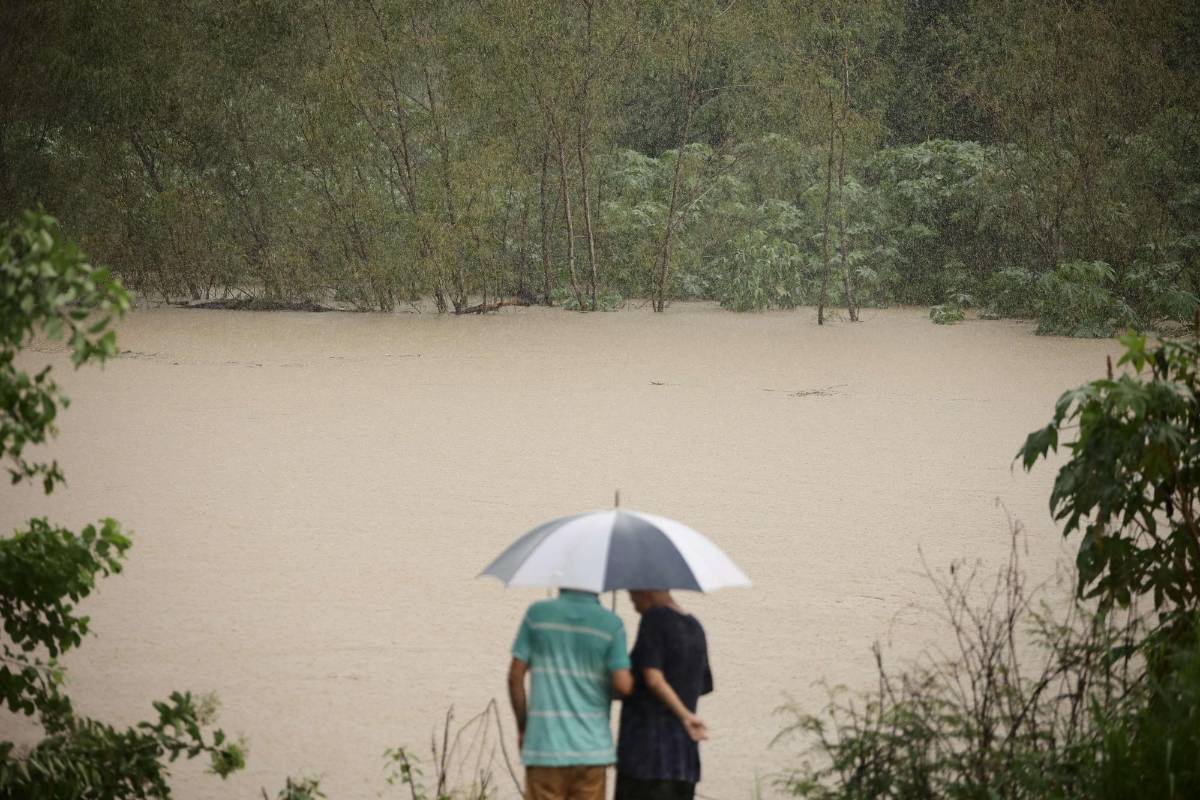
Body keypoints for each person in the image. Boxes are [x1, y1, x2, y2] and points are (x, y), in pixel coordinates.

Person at [508, 588, 634, 800]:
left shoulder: (537, 615)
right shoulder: (612, 624)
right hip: (592, 751)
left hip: (544, 746)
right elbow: (623, 686)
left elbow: (515, 677)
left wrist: (523, 727)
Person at [615, 590, 713, 800]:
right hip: (685, 760)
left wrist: (685, 716)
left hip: (647, 757)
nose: (634, 606)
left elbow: (653, 677)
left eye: (634, 598)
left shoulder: (655, 619)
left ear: (647, 593)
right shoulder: (695, 627)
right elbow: (703, 685)